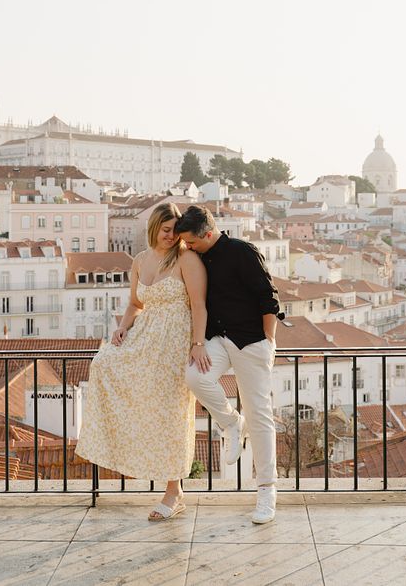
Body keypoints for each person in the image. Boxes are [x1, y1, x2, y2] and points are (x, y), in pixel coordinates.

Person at [75, 202, 209, 521]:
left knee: (171, 414)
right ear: (153, 228)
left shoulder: (187, 259)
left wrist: (198, 344)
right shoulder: (139, 260)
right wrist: (122, 328)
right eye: (166, 230)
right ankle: (118, 450)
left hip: (174, 343)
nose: (171, 236)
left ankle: (174, 492)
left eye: (175, 231)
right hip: (145, 338)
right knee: (103, 365)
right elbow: (136, 303)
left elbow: (199, 305)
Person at [176, 205, 282, 524]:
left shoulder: (242, 252)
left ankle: (267, 491)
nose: (187, 247)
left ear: (208, 234)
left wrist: (268, 341)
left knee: (260, 414)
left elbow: (269, 298)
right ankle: (232, 422)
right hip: (219, 340)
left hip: (251, 341)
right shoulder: (197, 256)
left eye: (191, 242)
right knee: (195, 377)